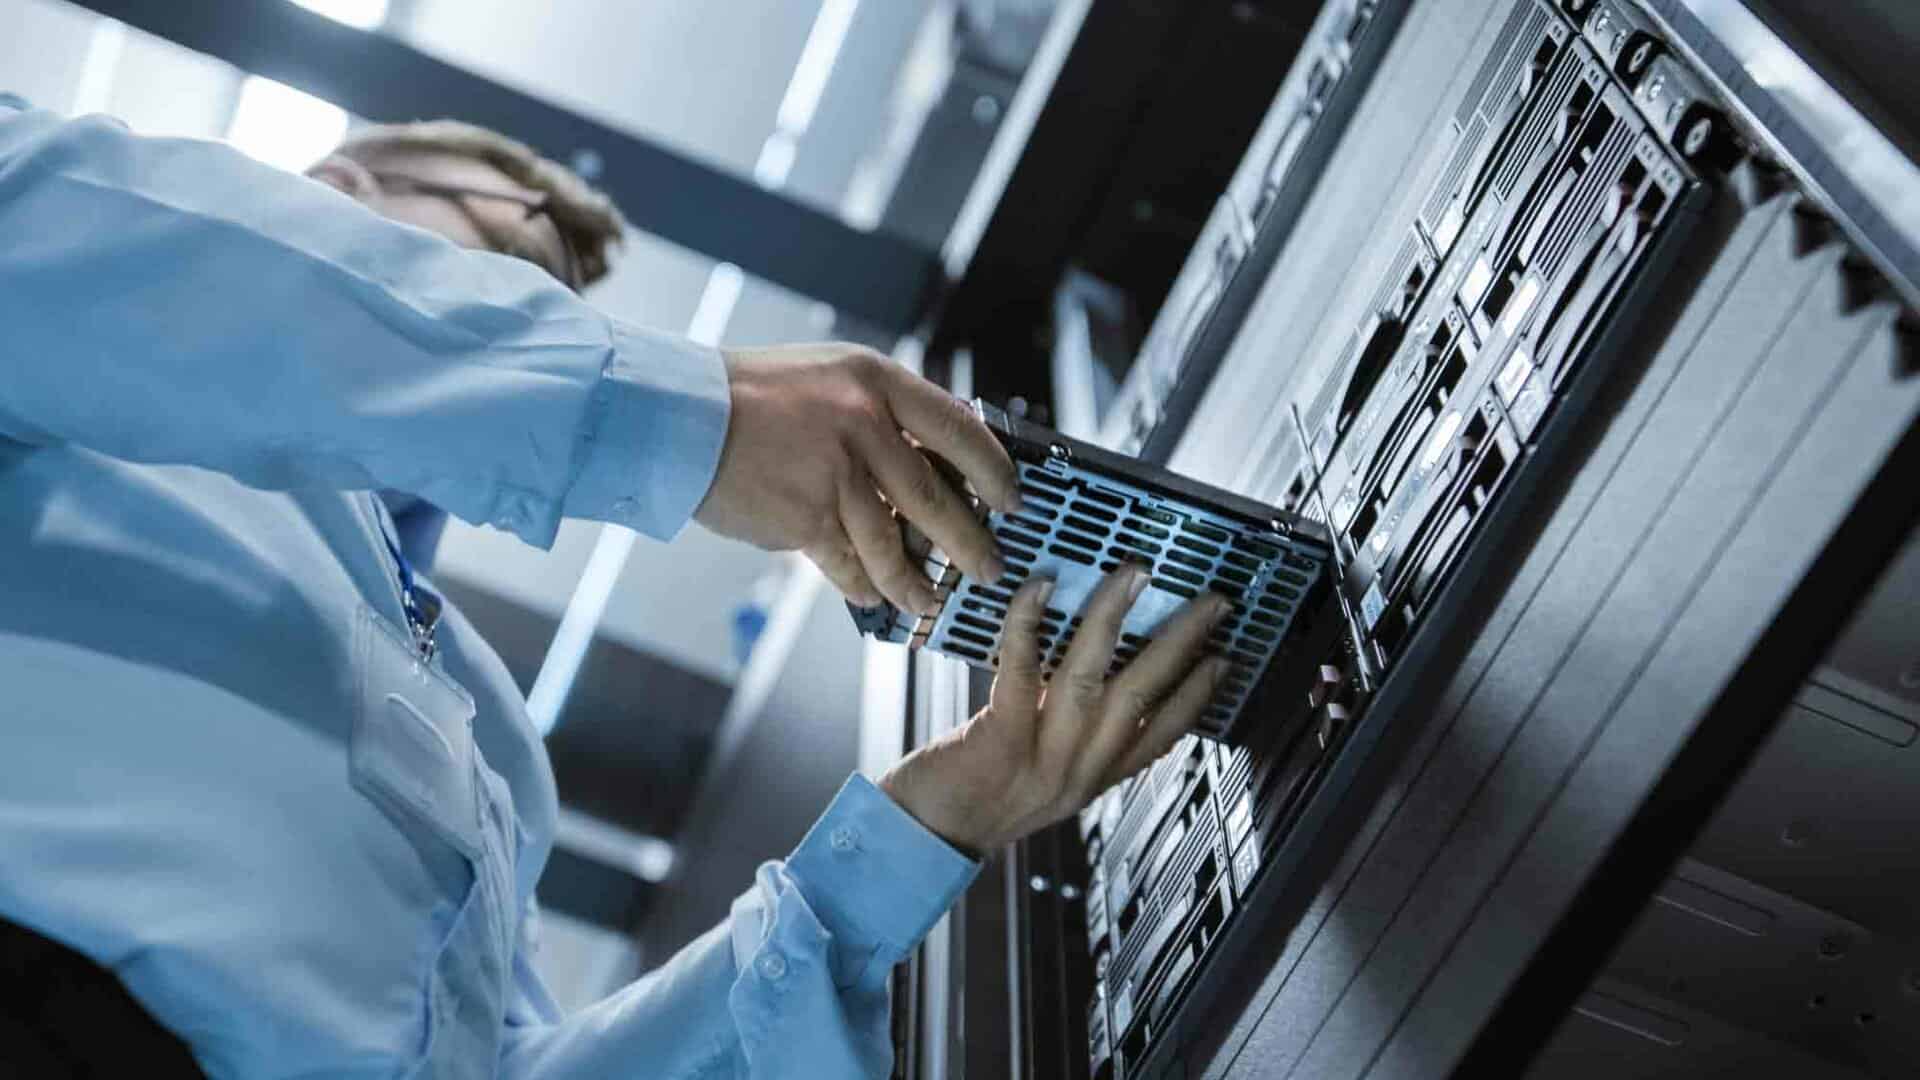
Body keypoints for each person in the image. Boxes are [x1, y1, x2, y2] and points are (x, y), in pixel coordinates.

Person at [0, 96, 1227, 1078]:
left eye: (548, 303)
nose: (531, 313)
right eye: (516, 252)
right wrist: (679, 418)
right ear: (342, 187)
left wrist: (922, 830)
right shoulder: (96, 420)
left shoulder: (486, 743)